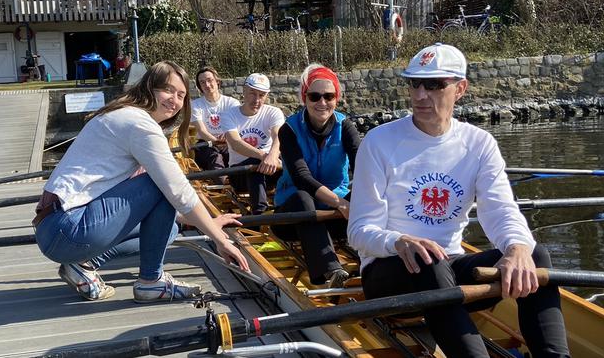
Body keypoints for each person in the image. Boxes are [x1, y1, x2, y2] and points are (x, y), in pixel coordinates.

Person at [348, 43, 569, 358]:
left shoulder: (479, 144)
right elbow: (358, 231)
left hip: (448, 269)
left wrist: (518, 249)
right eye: (415, 83)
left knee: (534, 254)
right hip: (387, 274)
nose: (420, 94)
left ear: (460, 88)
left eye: (435, 85)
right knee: (429, 260)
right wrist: (398, 241)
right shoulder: (378, 142)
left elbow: (502, 211)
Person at [33, 61, 250, 303]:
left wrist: (208, 222)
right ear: (149, 87)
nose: (175, 100)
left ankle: (83, 264)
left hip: (56, 229)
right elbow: (176, 190)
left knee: (169, 229)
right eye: (168, 90)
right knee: (161, 184)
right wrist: (220, 240)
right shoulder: (138, 123)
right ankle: (151, 281)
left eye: (181, 95)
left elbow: (162, 208)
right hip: (67, 226)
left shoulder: (122, 114)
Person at [272, 64, 360, 288]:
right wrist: (339, 203)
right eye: (314, 96)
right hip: (293, 217)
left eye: (328, 96)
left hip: (335, 215)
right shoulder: (288, 130)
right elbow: (302, 177)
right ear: (305, 98)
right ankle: (330, 271)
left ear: (336, 99)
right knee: (303, 197)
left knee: (366, 193)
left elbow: (364, 166)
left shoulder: (345, 126)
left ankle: (376, 259)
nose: (322, 102)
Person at [220, 73, 285, 215]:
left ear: (267, 96)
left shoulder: (274, 112)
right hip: (239, 173)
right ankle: (259, 213)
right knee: (256, 163)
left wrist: (273, 156)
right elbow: (236, 143)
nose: (257, 100)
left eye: (261, 95)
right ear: (244, 91)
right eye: (252, 94)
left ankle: (290, 205)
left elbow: (278, 136)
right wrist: (264, 156)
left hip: (271, 168)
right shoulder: (228, 114)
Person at [190, 67, 240, 182]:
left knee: (236, 155)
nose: (207, 85)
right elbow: (202, 131)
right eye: (202, 82)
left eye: (210, 80)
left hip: (229, 141)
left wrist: (227, 138)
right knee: (214, 156)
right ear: (199, 87)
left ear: (217, 81)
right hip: (206, 144)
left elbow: (237, 127)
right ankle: (222, 182)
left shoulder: (232, 103)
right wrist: (216, 142)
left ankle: (239, 181)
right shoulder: (195, 105)